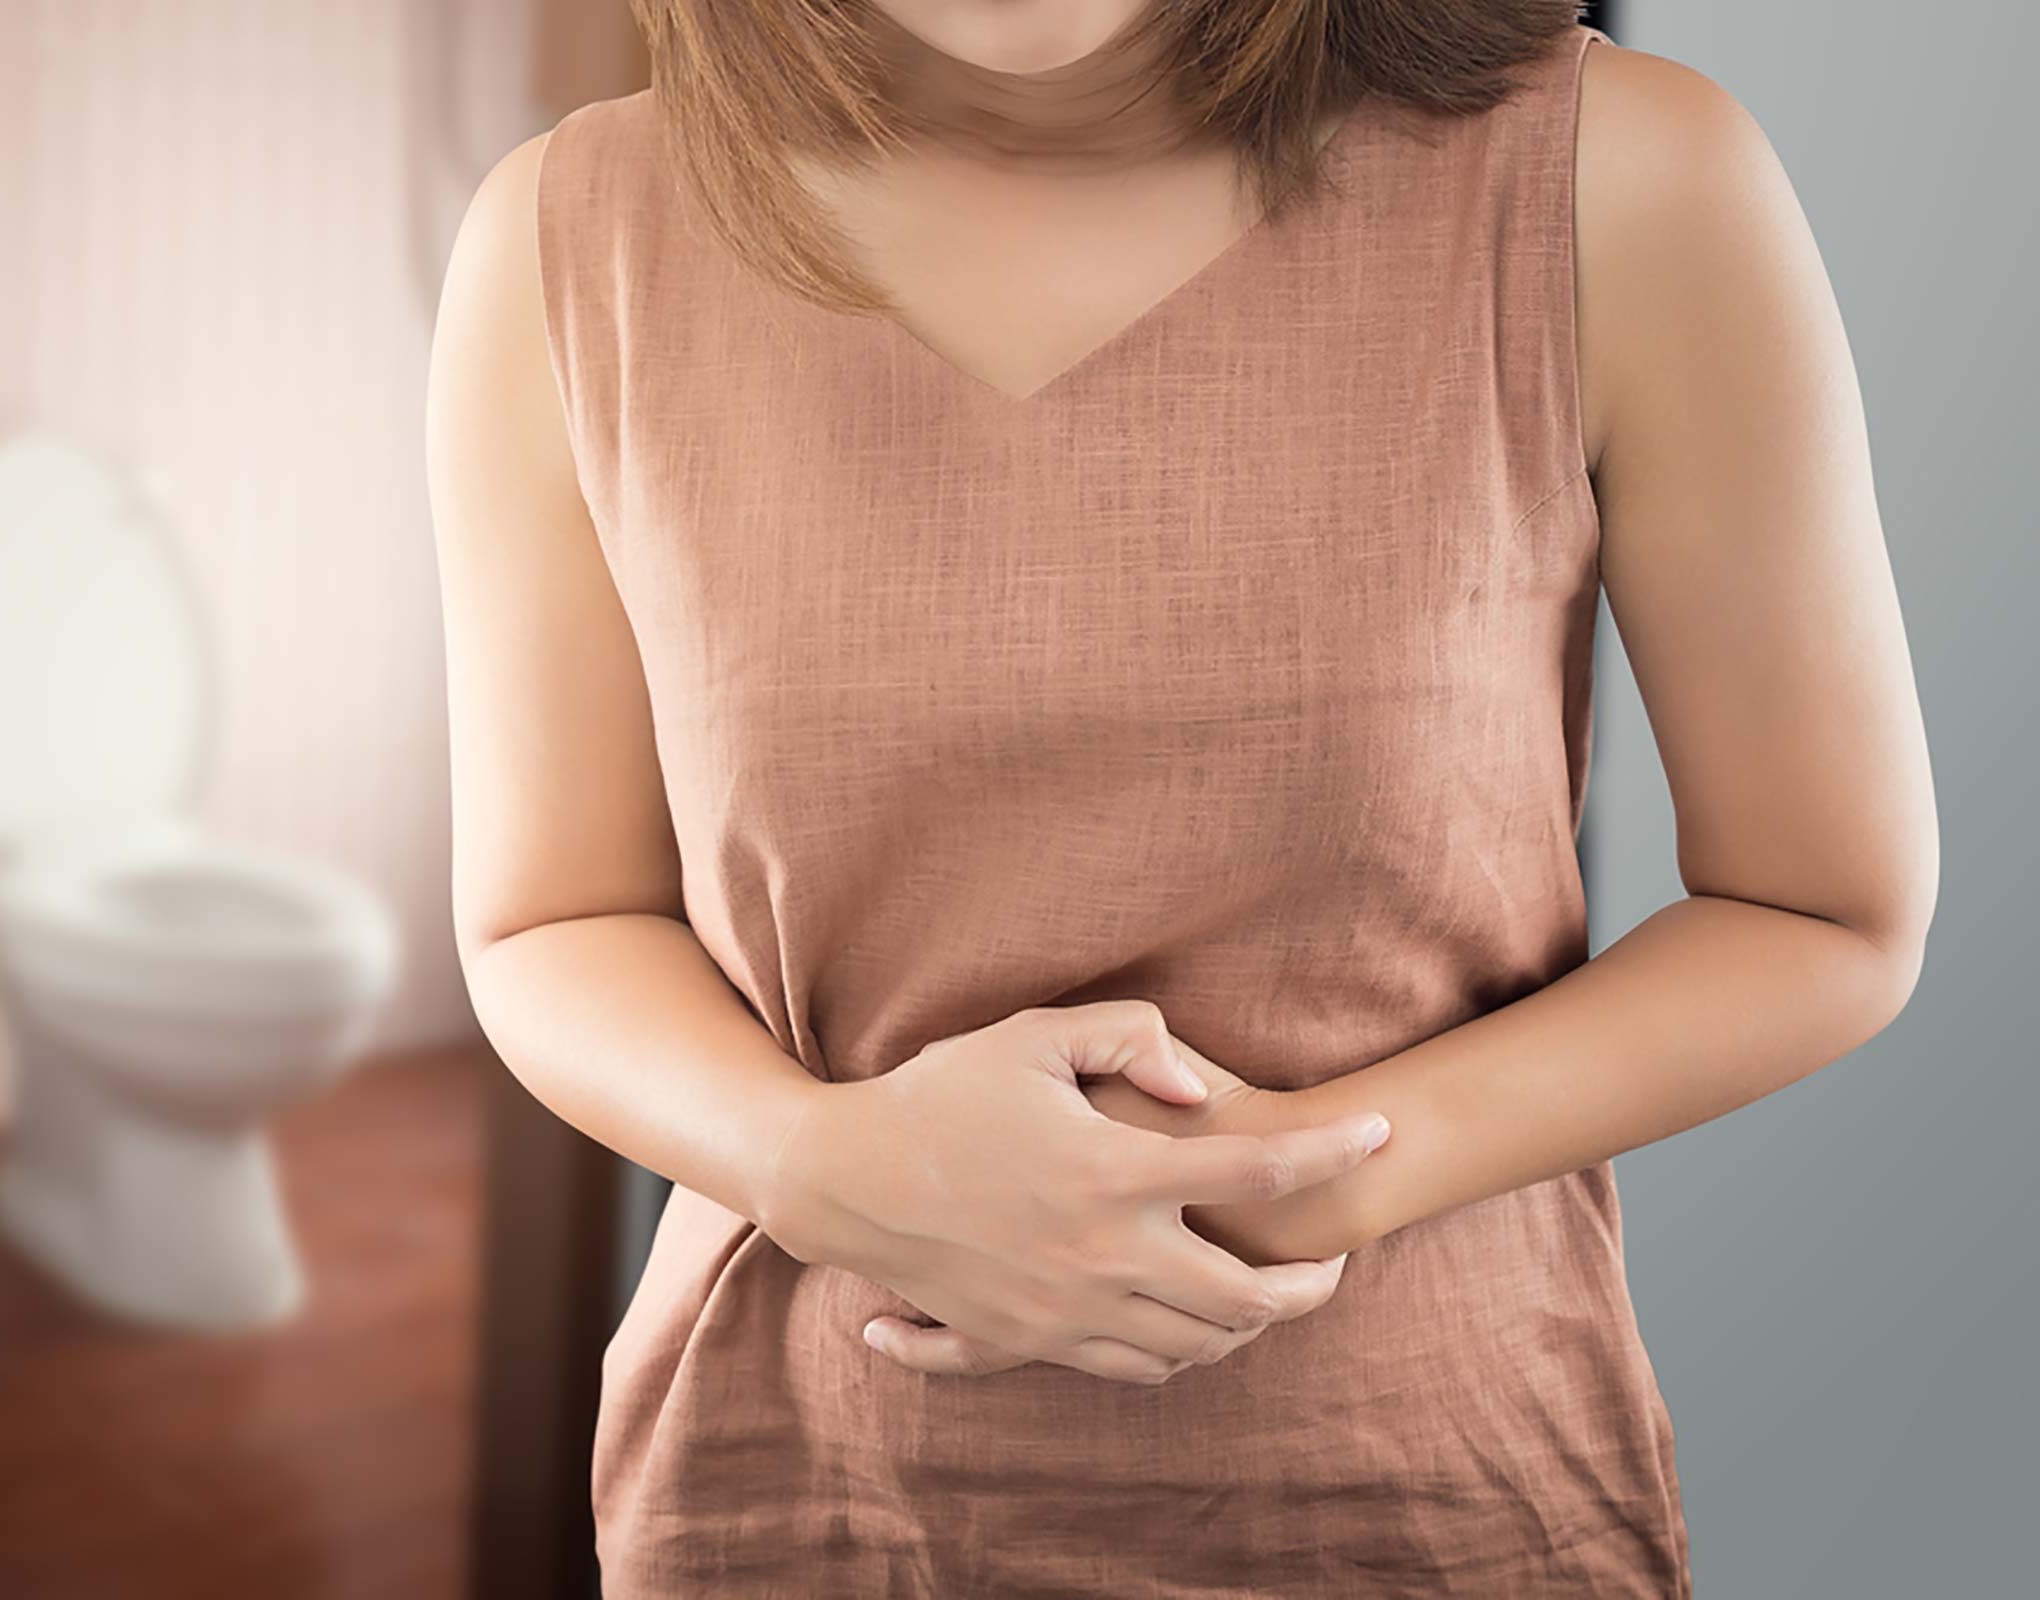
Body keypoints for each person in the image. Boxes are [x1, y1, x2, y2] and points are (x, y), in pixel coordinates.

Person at [425, 0, 1938, 1591]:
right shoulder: (562, 241)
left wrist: (1299, 1181)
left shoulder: (1622, 176)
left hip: (1429, 1492)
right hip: (800, 1495)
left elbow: (1821, 909)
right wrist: (817, 1162)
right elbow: (553, 917)